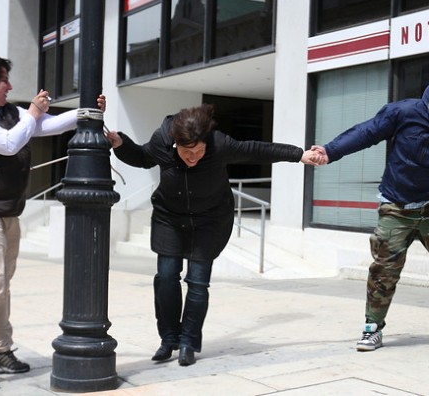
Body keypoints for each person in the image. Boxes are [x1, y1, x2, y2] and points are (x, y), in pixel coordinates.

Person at [107, 104, 319, 366]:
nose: (193, 157)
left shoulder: (219, 144)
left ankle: (188, 342)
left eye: (198, 151)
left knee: (197, 282)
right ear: (175, 144)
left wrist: (299, 155)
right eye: (187, 153)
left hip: (210, 220)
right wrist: (120, 143)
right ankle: (169, 338)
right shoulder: (162, 140)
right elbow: (141, 157)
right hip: (170, 218)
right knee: (166, 277)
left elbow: (256, 150)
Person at [0, 54, 106, 389]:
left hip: (5, 210)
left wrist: (88, 112)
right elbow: (9, 144)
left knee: (0, 285)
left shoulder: (7, 112)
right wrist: (32, 114)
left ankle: (0, 350)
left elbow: (47, 125)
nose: (10, 86)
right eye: (4, 79)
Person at [312, 78, 429, 352]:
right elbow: (366, 133)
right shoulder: (404, 112)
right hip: (396, 207)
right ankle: (372, 328)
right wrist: (330, 151)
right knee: (384, 271)